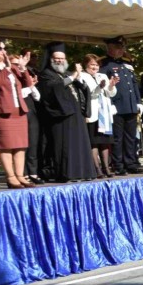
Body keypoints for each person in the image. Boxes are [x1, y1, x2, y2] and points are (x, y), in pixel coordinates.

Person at [36, 42, 96, 183]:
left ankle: (83, 172)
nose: (60, 61)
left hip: (76, 115)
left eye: (62, 58)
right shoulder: (47, 74)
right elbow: (51, 89)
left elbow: (80, 89)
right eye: (57, 58)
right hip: (61, 117)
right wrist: (72, 78)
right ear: (51, 59)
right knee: (66, 147)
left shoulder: (67, 74)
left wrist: (80, 83)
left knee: (80, 145)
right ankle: (67, 174)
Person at [0, 39, 34, 188]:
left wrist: (23, 68)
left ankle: (20, 175)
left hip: (19, 111)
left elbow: (28, 84)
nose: (3, 51)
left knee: (21, 145)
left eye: (4, 48)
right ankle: (10, 177)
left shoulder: (11, 67)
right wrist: (6, 70)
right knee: (6, 146)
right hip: (2, 112)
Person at [99, 36, 142, 175]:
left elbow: (133, 84)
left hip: (130, 106)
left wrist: (138, 101)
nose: (121, 50)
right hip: (116, 107)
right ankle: (118, 165)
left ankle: (131, 163)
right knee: (118, 138)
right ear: (110, 49)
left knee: (131, 137)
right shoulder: (104, 64)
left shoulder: (127, 64)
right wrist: (109, 104)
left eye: (122, 48)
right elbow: (103, 86)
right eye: (118, 48)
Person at [79, 54, 119, 178]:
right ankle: (97, 169)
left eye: (96, 65)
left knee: (105, 142)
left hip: (105, 114)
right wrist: (99, 87)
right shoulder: (82, 76)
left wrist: (111, 85)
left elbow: (111, 94)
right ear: (86, 65)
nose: (94, 67)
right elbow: (89, 94)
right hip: (93, 113)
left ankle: (106, 168)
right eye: (92, 64)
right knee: (94, 142)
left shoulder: (102, 75)